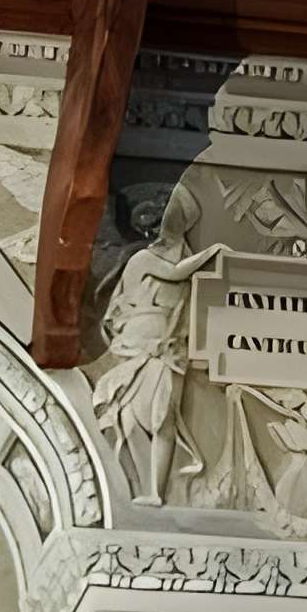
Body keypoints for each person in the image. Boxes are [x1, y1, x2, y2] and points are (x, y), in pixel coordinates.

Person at [92, 184, 223, 505]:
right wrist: (214, 251)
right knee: (131, 416)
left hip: (170, 348)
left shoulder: (184, 257)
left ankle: (156, 491)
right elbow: (176, 273)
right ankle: (141, 486)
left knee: (163, 418)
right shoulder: (143, 259)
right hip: (141, 343)